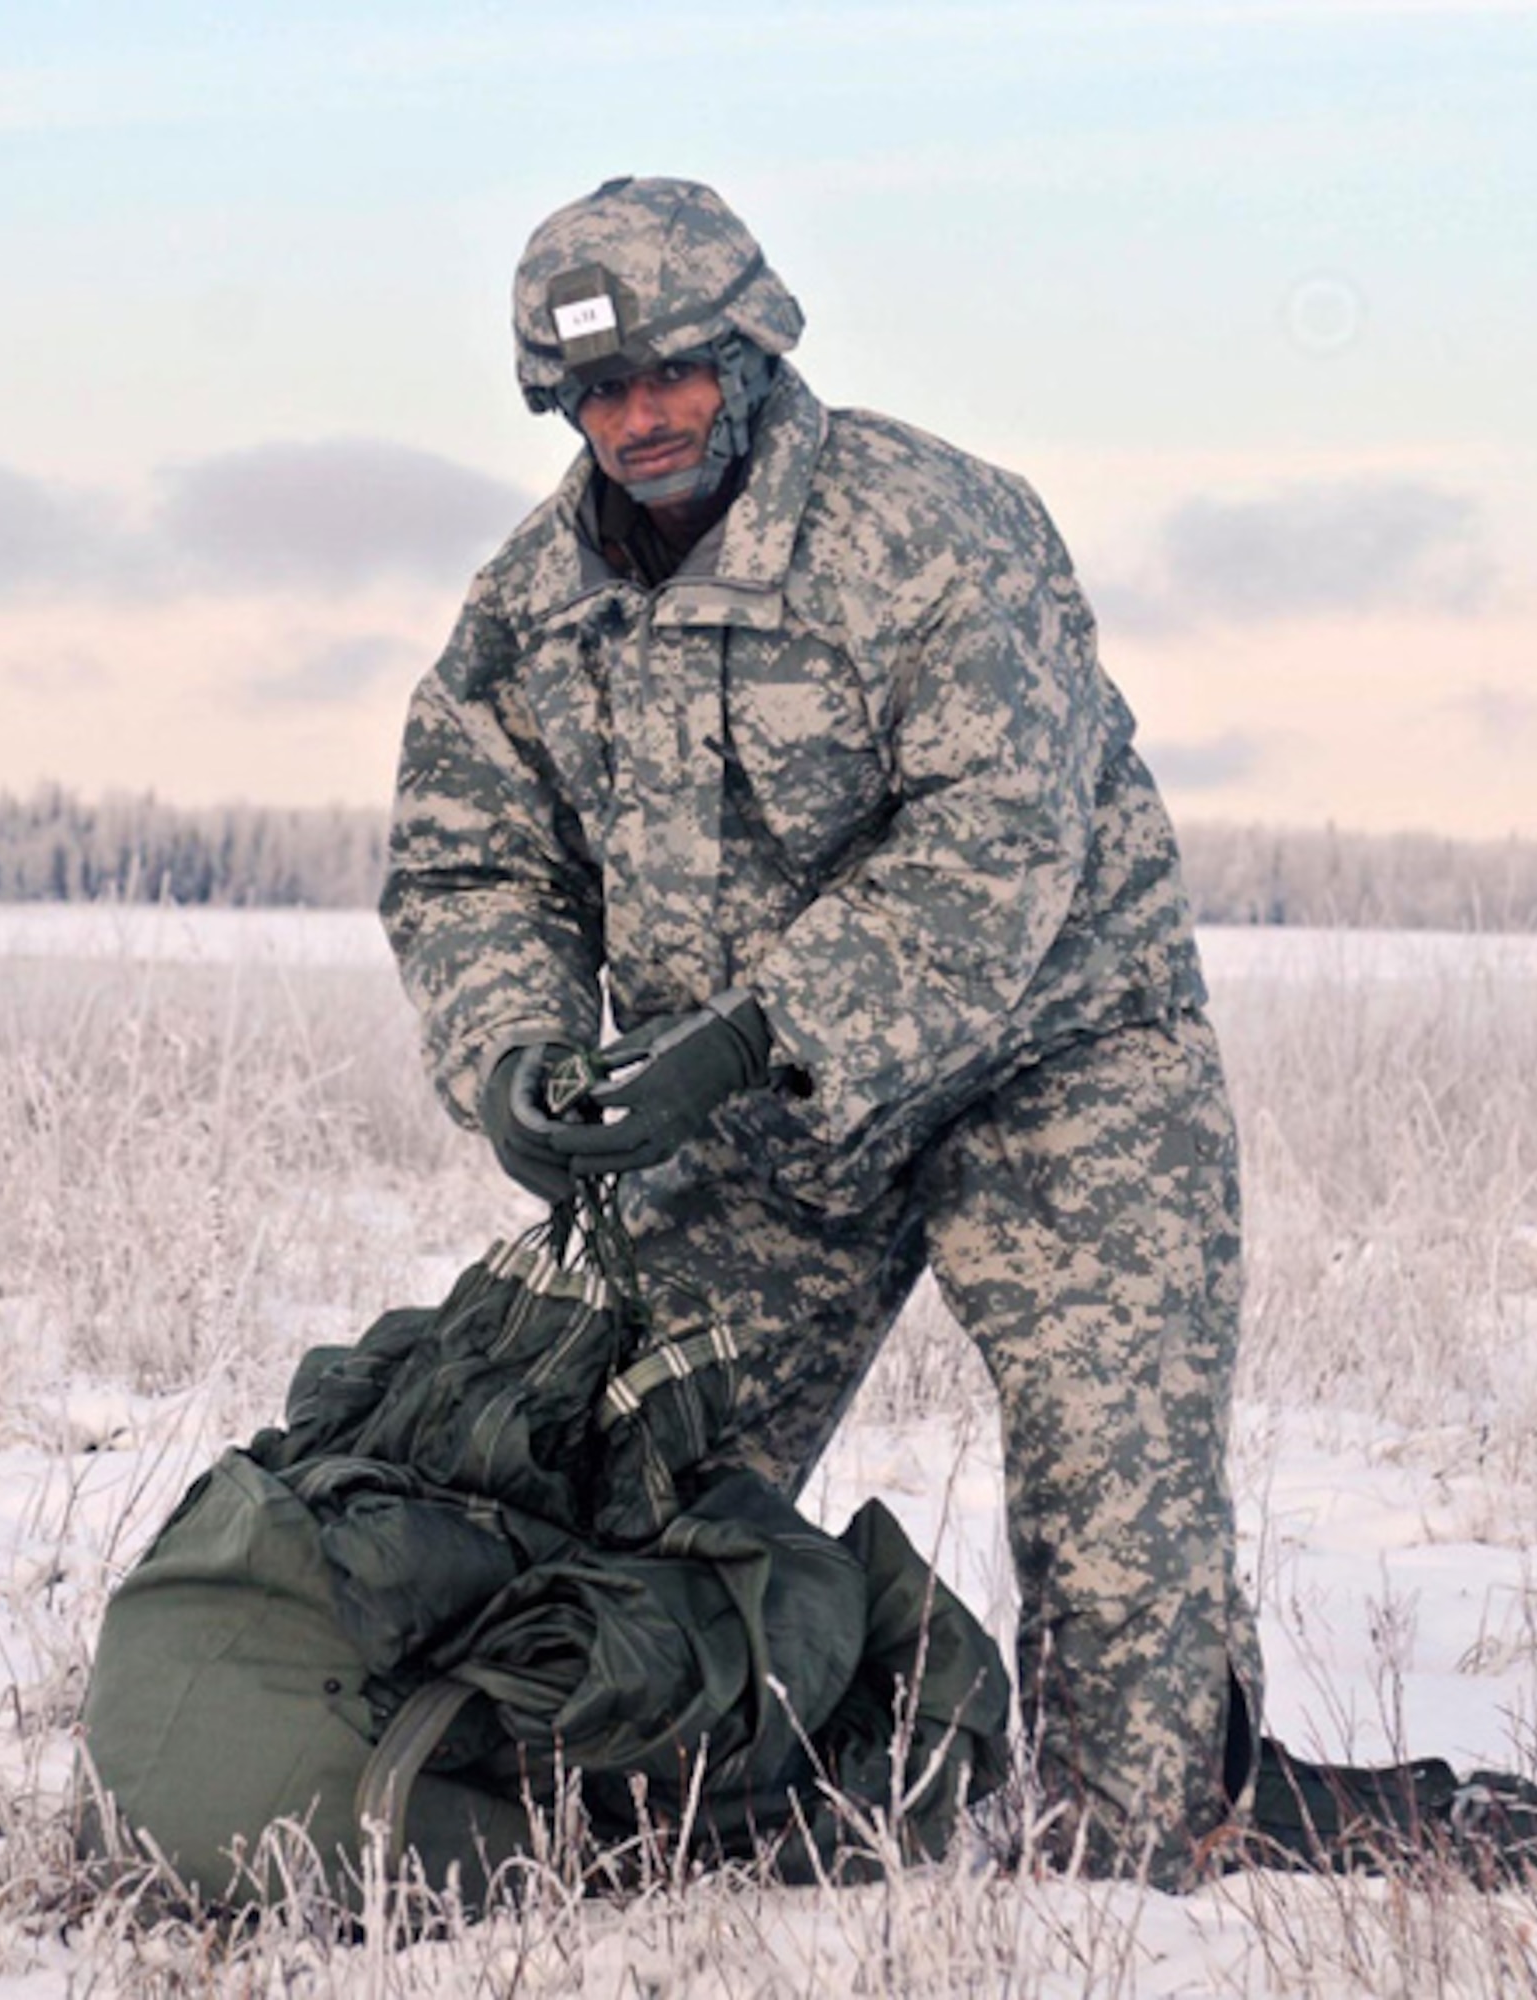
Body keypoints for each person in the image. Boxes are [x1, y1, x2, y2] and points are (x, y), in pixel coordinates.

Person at [380, 174, 1263, 1886]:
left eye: (675, 375)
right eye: (597, 391)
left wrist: (749, 1032)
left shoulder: (936, 529)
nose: (638, 417)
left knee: (1115, 1473)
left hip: (1059, 1058)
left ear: (757, 352)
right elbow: (470, 857)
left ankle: (1142, 1847)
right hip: (770, 1122)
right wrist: (514, 1055)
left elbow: (996, 841)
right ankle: (701, 1799)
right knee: (648, 1476)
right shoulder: (527, 612)